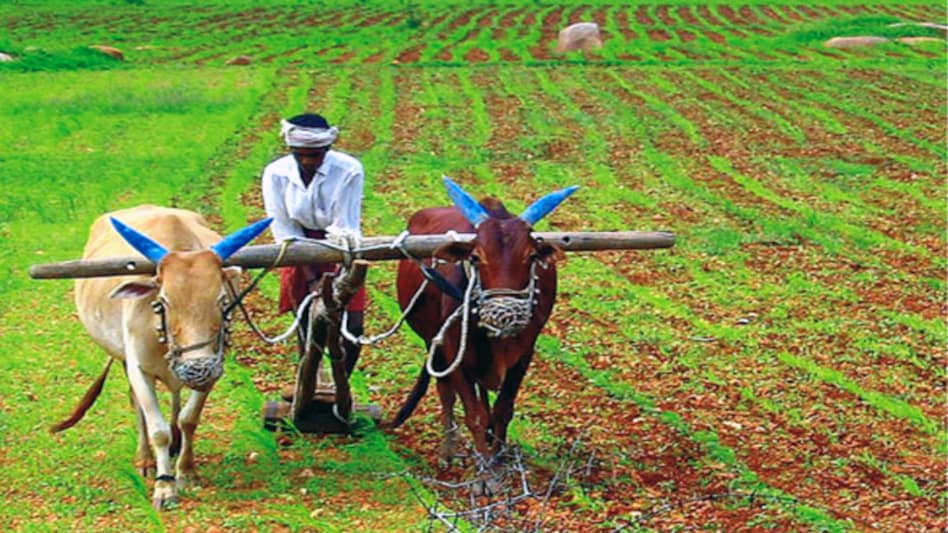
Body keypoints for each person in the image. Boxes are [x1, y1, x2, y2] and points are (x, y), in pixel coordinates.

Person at [261, 113, 366, 377]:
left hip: (340, 247)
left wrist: (338, 280)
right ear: (292, 150)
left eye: (316, 154)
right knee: (307, 320)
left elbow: (345, 226)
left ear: (327, 149)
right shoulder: (276, 173)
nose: (308, 161)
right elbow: (284, 227)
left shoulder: (349, 170)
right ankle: (310, 380)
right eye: (301, 155)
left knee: (353, 327)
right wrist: (310, 279)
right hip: (297, 249)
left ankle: (341, 383)